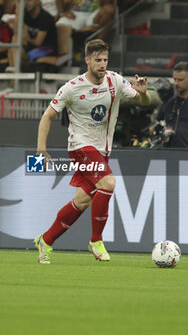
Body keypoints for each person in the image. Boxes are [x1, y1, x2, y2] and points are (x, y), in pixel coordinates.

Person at [34, 38, 151, 264]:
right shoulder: (71, 88)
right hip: (80, 147)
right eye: (98, 60)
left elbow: (143, 102)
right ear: (87, 60)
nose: (102, 64)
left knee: (82, 201)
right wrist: (41, 149)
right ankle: (96, 240)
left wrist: (144, 93)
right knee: (108, 183)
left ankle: (46, 241)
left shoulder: (115, 80)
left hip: (102, 149)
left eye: (105, 59)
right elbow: (47, 116)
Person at [149, 61, 188, 149]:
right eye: (175, 79)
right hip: (167, 155)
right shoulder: (168, 102)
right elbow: (155, 126)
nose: (176, 83)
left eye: (180, 80)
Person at [7, 0, 57, 71]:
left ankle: (14, 80)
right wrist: (18, 10)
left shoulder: (45, 17)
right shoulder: (26, 14)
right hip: (31, 49)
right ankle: (14, 78)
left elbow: (38, 42)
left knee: (15, 50)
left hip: (46, 50)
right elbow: (16, 32)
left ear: (38, 0)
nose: (26, 2)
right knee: (13, 45)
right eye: (24, 0)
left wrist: (26, 37)